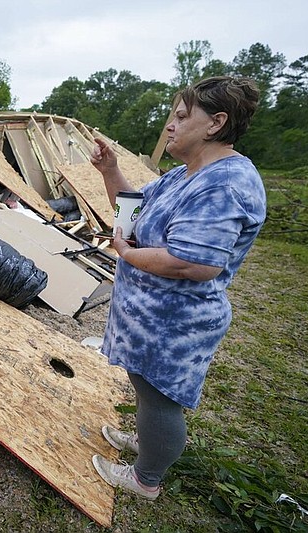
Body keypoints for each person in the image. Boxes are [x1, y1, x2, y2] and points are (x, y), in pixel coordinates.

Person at [89, 76, 267, 500]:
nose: (170, 125)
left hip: (174, 324)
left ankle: (146, 478)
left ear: (216, 123)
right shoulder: (186, 175)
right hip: (150, 318)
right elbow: (134, 208)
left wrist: (126, 254)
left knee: (160, 401)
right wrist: (110, 171)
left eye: (182, 116)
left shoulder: (223, 183)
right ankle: (148, 443)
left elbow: (195, 263)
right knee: (147, 392)